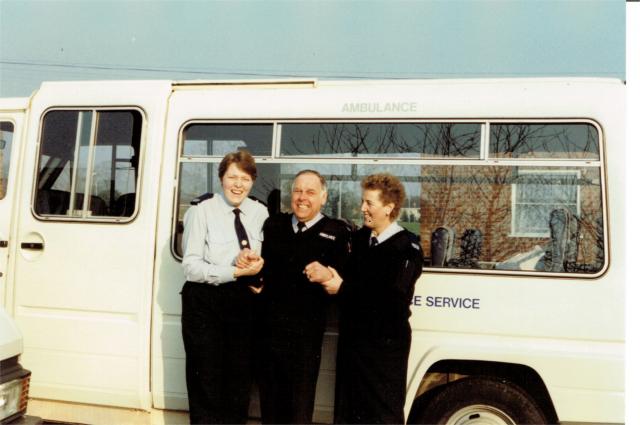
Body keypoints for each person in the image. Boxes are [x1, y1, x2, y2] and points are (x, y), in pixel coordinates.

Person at [307, 173, 423, 424]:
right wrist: (327, 273)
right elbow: (344, 277)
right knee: (347, 413)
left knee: (382, 415)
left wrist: (343, 289)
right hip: (353, 346)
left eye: (369, 203)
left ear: (389, 208)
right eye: (363, 201)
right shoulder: (360, 241)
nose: (362, 208)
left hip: (384, 350)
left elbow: (393, 302)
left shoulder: (407, 248)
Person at [180, 150, 269, 424]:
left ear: (253, 181)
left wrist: (257, 274)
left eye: (244, 178)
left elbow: (264, 256)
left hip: (243, 303)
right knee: (206, 383)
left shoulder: (260, 211)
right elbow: (191, 267)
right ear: (221, 178)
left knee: (238, 384)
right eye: (232, 177)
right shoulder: (201, 210)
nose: (238, 184)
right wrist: (233, 271)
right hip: (206, 302)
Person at [258, 169, 351, 424]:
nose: (302, 197)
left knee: (299, 411)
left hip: (305, 340)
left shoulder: (337, 232)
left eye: (310, 192)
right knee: (270, 408)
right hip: (269, 334)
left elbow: (342, 289)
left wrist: (328, 277)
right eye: (297, 191)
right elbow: (260, 271)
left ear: (323, 197)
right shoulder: (274, 225)